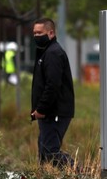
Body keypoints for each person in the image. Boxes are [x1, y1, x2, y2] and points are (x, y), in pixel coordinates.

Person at [31, 18, 75, 168]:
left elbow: (52, 85)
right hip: (49, 113)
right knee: (44, 152)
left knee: (50, 152)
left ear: (50, 33)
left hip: (54, 113)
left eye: (39, 33)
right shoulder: (46, 52)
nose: (36, 36)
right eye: (34, 33)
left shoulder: (53, 53)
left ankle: (81, 175)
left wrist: (41, 109)